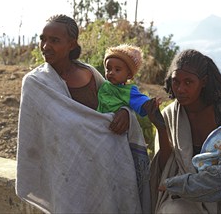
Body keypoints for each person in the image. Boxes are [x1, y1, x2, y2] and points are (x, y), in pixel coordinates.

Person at [16, 14, 150, 214]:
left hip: (105, 173)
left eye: (54, 40)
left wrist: (125, 112)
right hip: (67, 175)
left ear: (71, 44)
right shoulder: (35, 84)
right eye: (43, 39)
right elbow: (33, 138)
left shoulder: (89, 74)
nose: (45, 46)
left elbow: (116, 101)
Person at [144, 49, 221, 213]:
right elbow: (165, 168)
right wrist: (161, 128)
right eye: (176, 82)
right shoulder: (170, 115)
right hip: (183, 195)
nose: (181, 89)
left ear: (203, 82)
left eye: (188, 82)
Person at [97, 44, 157, 117]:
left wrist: (151, 104)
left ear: (129, 75)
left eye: (117, 70)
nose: (111, 72)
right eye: (108, 69)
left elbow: (141, 101)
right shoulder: (102, 84)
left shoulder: (128, 91)